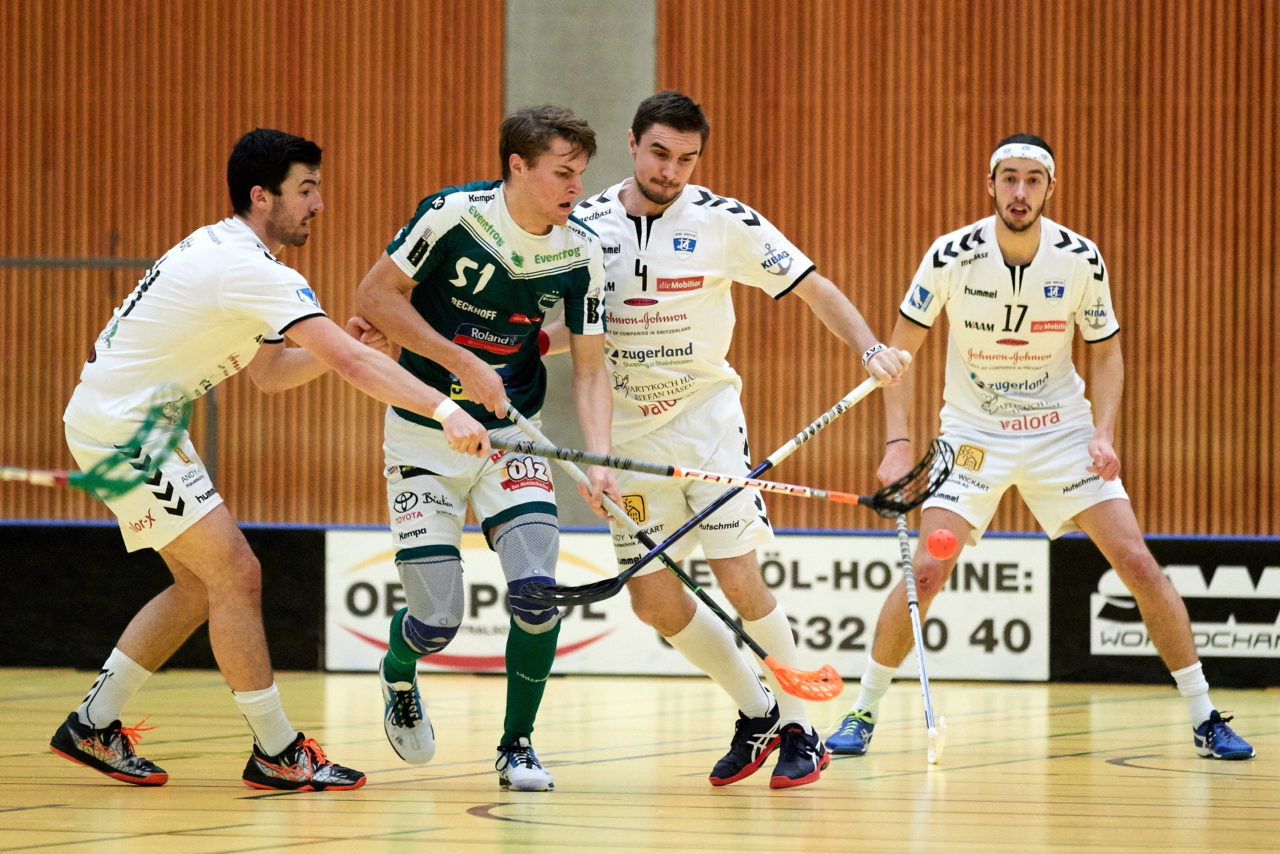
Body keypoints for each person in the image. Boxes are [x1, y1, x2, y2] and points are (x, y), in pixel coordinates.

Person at [51, 128, 493, 791]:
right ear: (262, 196)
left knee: (202, 585)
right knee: (237, 573)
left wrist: (335, 347)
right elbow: (353, 365)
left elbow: (269, 373)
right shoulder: (251, 269)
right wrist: (444, 409)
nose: (318, 204)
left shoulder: (235, 254)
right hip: (124, 429)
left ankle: (93, 723)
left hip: (139, 423)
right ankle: (278, 752)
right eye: (305, 190)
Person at [827, 134, 1256, 762]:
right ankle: (862, 711)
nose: (1020, 192)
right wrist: (898, 441)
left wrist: (1104, 433)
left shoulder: (1081, 258)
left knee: (1137, 563)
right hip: (973, 438)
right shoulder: (950, 254)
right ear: (990, 184)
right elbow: (901, 354)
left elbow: (1106, 354)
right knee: (926, 571)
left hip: (1062, 433)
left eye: (1033, 180)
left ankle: (1205, 716)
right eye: (1009, 178)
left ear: (1051, 188)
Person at [545, 91, 910, 789]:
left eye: (686, 159)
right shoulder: (583, 225)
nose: (670, 170)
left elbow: (815, 287)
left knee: (737, 573)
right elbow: (574, 330)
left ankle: (801, 726)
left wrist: (869, 348)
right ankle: (758, 710)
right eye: (659, 153)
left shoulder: (723, 221)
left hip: (706, 423)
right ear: (632, 142)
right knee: (653, 601)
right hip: (625, 434)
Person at [354, 104, 618, 792]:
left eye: (581, 174)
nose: (576, 188)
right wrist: (460, 362)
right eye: (562, 173)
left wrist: (598, 459)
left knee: (537, 595)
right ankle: (398, 671)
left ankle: (517, 744)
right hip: (425, 430)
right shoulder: (452, 216)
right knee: (437, 621)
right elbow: (375, 298)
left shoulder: (582, 251)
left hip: (512, 433)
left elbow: (591, 367)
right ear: (518, 166)